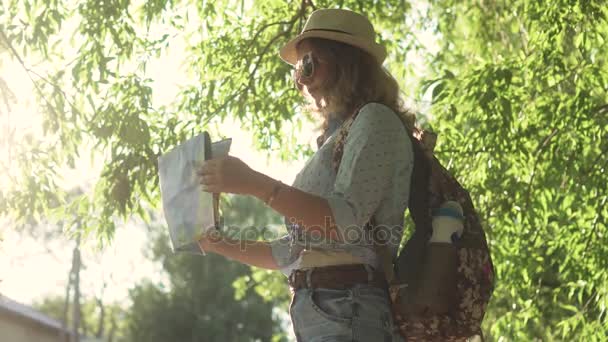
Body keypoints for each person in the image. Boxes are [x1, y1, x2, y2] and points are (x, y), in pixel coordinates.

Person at [197, 8, 416, 341]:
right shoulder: (339, 137)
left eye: (308, 64)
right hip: (325, 309)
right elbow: (292, 252)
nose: (300, 79)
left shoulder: (375, 121)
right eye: (297, 70)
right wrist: (216, 244)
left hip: (348, 307)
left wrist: (255, 183)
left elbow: (343, 223)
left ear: (345, 62)